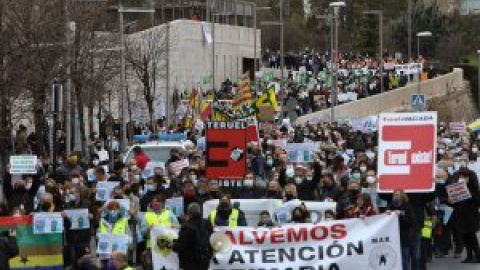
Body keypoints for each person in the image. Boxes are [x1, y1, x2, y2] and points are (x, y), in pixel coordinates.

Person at [449, 168, 480, 263]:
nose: (462, 179)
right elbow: (455, 203)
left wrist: (466, 190)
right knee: (465, 237)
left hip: (471, 216)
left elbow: (477, 202)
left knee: (471, 237)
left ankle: (478, 256)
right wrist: (450, 201)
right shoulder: (458, 187)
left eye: (464, 177)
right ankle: (469, 256)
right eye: (461, 177)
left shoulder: (474, 189)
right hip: (460, 215)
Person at [173, 203, 213, 270]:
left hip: (190, 263)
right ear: (199, 211)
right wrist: (209, 256)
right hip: (204, 261)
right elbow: (212, 240)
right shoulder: (207, 223)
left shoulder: (186, 227)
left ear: (188, 213)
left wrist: (173, 246)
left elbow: (181, 246)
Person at [387, 190, 416, 270]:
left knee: (404, 259)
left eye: (398, 195)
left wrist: (401, 214)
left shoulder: (408, 207)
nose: (396, 196)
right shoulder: (390, 206)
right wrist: (387, 213)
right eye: (394, 195)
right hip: (393, 238)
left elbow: (411, 221)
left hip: (404, 237)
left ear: (402, 196)